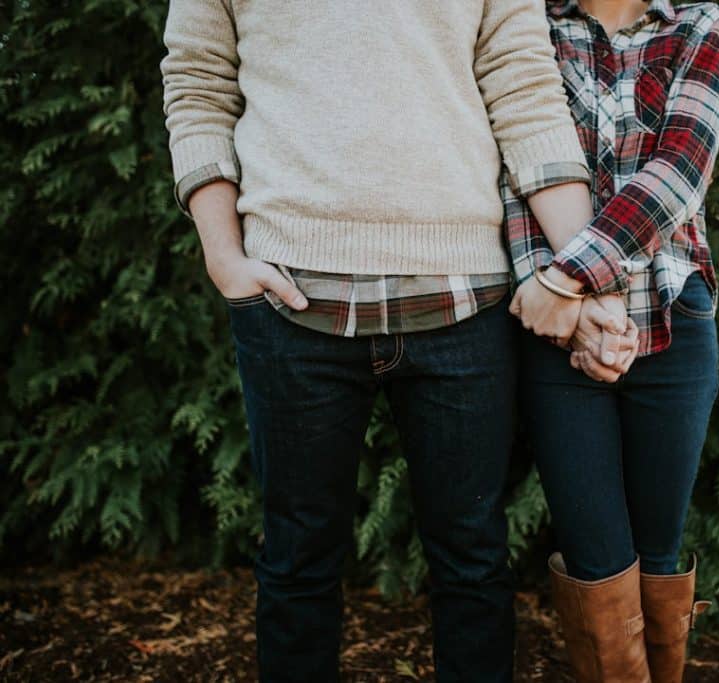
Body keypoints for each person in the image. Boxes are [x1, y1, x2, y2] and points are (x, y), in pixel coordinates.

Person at [159, 1, 622, 680]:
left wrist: (588, 274)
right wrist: (223, 257)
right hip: (292, 302)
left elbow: (524, 92)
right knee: (297, 562)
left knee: (472, 564)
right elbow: (197, 83)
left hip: (464, 302)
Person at [505, 1, 719, 680]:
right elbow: (515, 169)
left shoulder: (698, 24)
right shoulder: (529, 25)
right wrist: (568, 309)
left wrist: (571, 281)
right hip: (559, 334)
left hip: (672, 317)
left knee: (658, 557)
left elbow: (679, 174)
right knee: (597, 562)